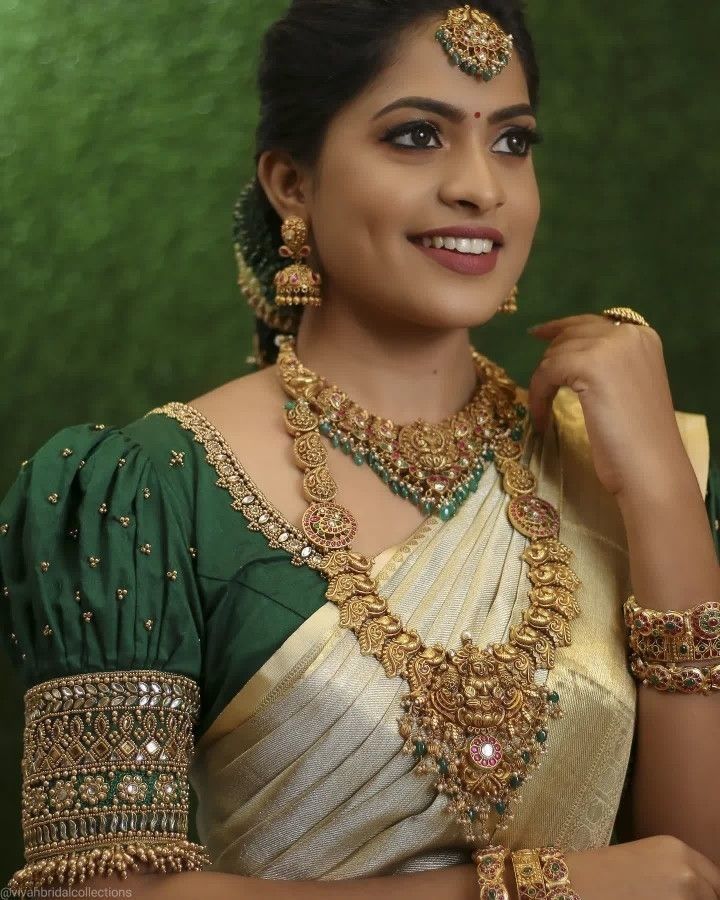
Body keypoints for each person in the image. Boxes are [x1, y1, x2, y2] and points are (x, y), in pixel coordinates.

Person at [2, 2, 719, 898]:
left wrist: (660, 494)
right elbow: (91, 891)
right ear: (290, 183)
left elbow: (696, 874)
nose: (481, 187)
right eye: (418, 136)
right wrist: (534, 889)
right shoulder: (147, 492)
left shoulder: (637, 466)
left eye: (512, 141)